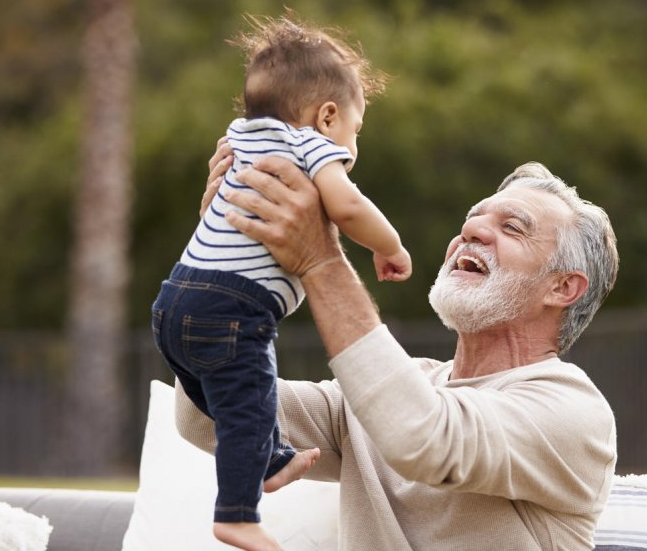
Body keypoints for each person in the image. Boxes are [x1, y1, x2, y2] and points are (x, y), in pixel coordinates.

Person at [176, 155, 619, 550]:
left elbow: (423, 438)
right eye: (473, 218)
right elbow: (206, 418)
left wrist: (320, 259)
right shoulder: (391, 392)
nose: (471, 230)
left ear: (562, 287)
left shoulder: (573, 411)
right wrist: (220, 260)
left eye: (512, 227)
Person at [151, 14, 411, 551]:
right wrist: (389, 246)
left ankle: (270, 457)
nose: (352, 147)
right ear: (328, 116)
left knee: (236, 401)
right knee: (248, 399)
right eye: (355, 132)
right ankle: (237, 514)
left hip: (173, 300)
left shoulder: (240, 137)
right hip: (232, 309)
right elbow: (348, 204)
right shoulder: (312, 146)